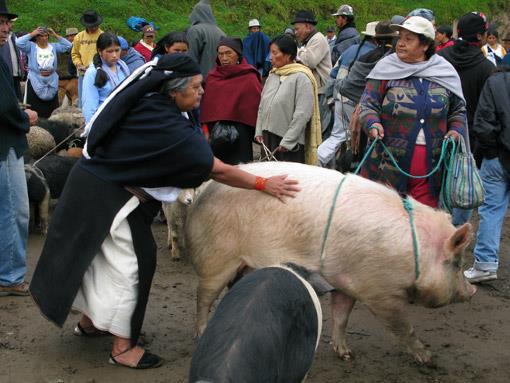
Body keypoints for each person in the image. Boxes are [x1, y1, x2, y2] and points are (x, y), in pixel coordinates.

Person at [29, 54, 299, 369]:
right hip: (106, 196)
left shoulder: (152, 104)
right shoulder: (168, 126)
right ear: (174, 90)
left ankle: (91, 323)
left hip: (94, 187)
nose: (202, 93)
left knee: (99, 259)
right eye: (197, 87)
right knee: (136, 263)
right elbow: (217, 169)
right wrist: (263, 183)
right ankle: (122, 348)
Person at [359, 16, 466, 208]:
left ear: (425, 45)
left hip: (431, 167)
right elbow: (368, 104)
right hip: (387, 163)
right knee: (386, 220)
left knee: (422, 222)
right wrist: (372, 123)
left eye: (409, 39)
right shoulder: (384, 69)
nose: (400, 43)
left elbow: (458, 110)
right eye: (400, 38)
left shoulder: (444, 72)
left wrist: (456, 131)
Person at [437, 12, 495, 225]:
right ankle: (454, 233)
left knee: (437, 182)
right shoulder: (487, 68)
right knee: (463, 187)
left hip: (437, 132)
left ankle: (437, 229)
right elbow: (487, 110)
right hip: (470, 138)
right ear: (480, 37)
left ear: (457, 32)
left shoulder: (440, 59)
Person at [0, 0, 38, 297]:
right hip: (4, 144)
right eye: (1, 22)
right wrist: (25, 116)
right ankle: (10, 277)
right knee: (14, 211)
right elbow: (3, 106)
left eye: (7, 22)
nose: (6, 27)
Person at [464, 67, 510, 283]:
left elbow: (482, 122)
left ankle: (485, 265)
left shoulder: (496, 82)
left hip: (498, 157)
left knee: (491, 210)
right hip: (497, 155)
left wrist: (491, 152)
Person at [318, 20, 380, 167]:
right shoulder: (375, 54)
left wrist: (330, 97)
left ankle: (328, 164)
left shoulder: (352, 49)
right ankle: (319, 161)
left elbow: (333, 73)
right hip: (354, 101)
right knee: (353, 136)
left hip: (339, 97)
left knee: (338, 135)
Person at [255, 34, 320, 165]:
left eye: (274, 53)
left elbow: (303, 113)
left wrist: (288, 141)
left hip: (288, 142)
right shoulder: (273, 75)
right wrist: (259, 130)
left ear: (288, 55)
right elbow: (262, 105)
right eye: (270, 53)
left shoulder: (302, 78)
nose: (270, 57)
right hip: (267, 137)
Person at [201, 37, 262, 164]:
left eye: (229, 53)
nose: (224, 58)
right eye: (220, 54)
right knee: (217, 172)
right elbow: (206, 107)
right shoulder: (212, 77)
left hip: (241, 134)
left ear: (238, 55)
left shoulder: (249, 76)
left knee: (241, 171)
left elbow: (255, 106)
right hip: (215, 133)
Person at [16, 26, 72, 118]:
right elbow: (18, 42)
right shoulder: (31, 47)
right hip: (36, 80)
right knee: (35, 108)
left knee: (51, 110)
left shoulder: (53, 46)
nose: (45, 38)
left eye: (46, 36)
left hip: (51, 80)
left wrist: (55, 35)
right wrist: (32, 34)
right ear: (37, 37)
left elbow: (69, 46)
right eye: (42, 36)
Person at [82, 32, 130, 124]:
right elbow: (89, 107)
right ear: (100, 51)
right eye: (110, 51)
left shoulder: (123, 67)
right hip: (105, 122)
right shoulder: (93, 73)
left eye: (117, 50)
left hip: (124, 119)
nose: (115, 55)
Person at [72, 10, 103, 107]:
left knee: (99, 101)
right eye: (91, 26)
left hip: (99, 72)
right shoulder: (79, 37)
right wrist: (78, 64)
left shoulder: (102, 36)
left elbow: (106, 54)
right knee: (84, 101)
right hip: (83, 73)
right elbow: (75, 54)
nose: (94, 27)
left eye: (95, 25)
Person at [187, 0, 225, 77]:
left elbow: (191, 58)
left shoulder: (195, 30)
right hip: (218, 78)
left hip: (200, 80)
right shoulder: (221, 32)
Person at [57, 27, 79, 106]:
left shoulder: (80, 46)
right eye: (68, 36)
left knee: (76, 100)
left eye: (72, 36)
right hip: (70, 77)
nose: (70, 38)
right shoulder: (67, 47)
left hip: (78, 76)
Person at [0, 28, 23, 99]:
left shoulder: (13, 36)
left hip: (16, 74)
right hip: (5, 74)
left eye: (9, 22)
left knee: (18, 99)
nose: (8, 25)